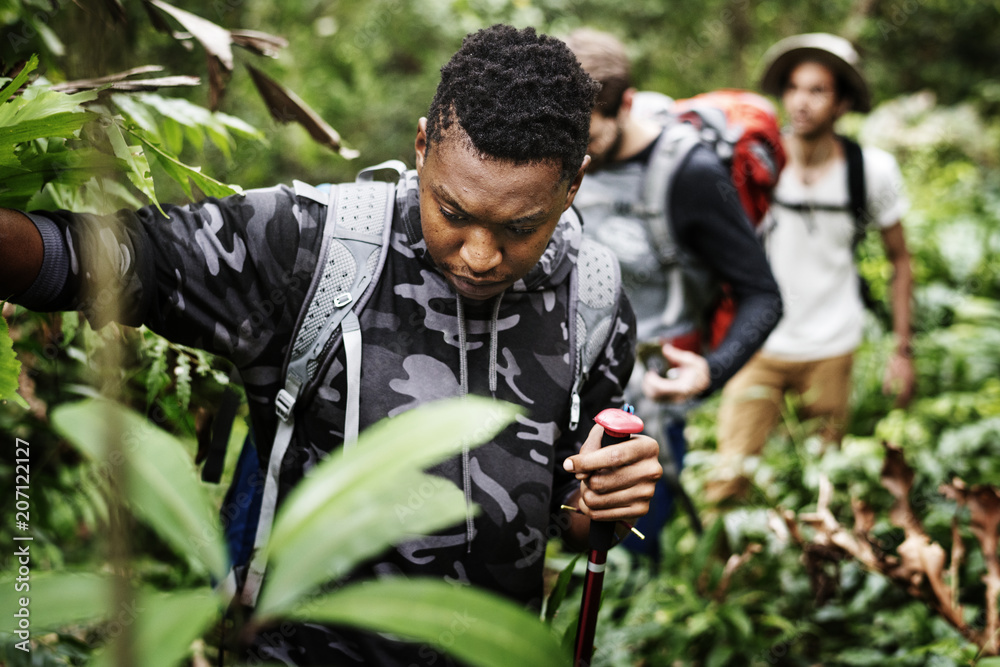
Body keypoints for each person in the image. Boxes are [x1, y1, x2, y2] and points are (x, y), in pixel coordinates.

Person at [0, 25, 662, 666]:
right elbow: (115, 256)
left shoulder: (593, 297)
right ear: (423, 145)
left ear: (573, 183)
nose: (482, 256)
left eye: (522, 225)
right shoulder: (312, 246)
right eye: (454, 213)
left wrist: (605, 498)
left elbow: (566, 515)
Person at [563, 28, 783, 562]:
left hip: (646, 393)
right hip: (565, 374)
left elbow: (762, 293)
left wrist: (713, 369)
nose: (577, 155)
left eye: (587, 139)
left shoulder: (690, 174)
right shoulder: (561, 149)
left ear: (627, 104)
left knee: (629, 547)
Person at [709, 33, 915, 504]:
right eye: (794, 88)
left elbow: (900, 258)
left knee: (822, 485)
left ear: (842, 102)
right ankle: (719, 576)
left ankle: (810, 571)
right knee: (727, 480)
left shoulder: (871, 171)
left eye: (818, 90)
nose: (801, 102)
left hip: (832, 346)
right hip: (757, 343)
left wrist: (902, 350)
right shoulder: (753, 163)